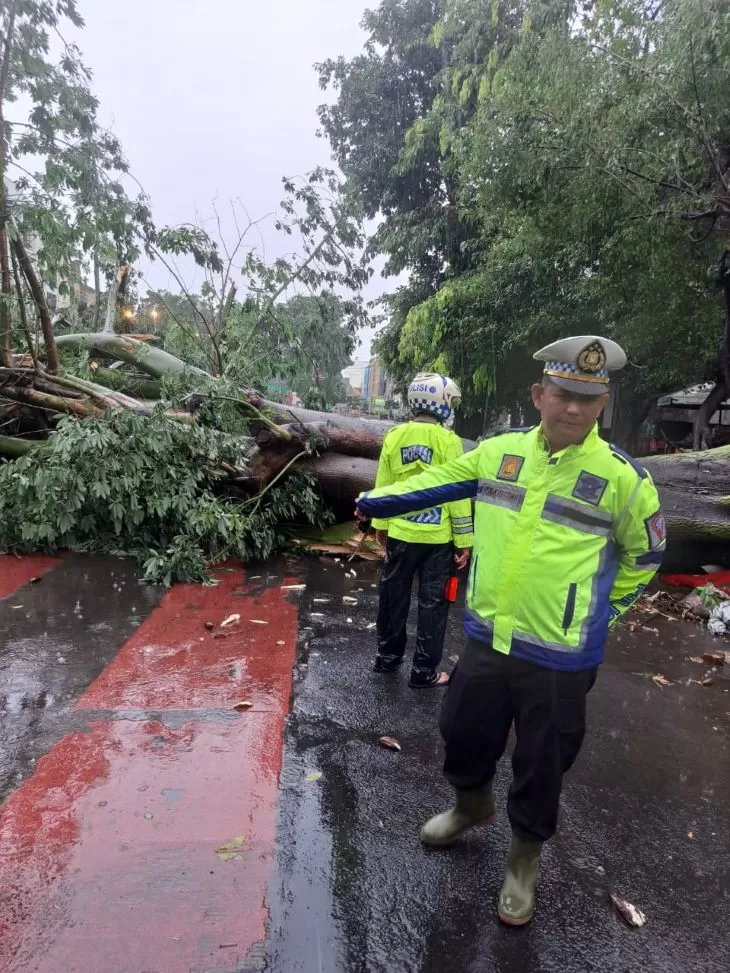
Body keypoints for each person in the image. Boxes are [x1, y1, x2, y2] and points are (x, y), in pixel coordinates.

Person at [356, 337, 665, 925]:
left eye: (588, 398)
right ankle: (471, 806)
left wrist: (605, 613)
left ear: (602, 403)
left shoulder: (624, 480)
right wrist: (372, 499)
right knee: (461, 730)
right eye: (563, 394)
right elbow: (433, 483)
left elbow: (646, 555)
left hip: (562, 657)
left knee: (543, 760)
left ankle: (524, 859)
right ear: (539, 394)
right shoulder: (498, 454)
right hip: (489, 639)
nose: (573, 408)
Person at [370, 372, 474, 688]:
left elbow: (384, 485)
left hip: (401, 535)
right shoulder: (449, 441)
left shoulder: (394, 436)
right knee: (433, 605)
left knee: (393, 597)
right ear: (441, 403)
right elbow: (456, 493)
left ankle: (387, 660)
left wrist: (381, 525)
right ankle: (423, 672)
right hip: (438, 540)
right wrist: (464, 541)